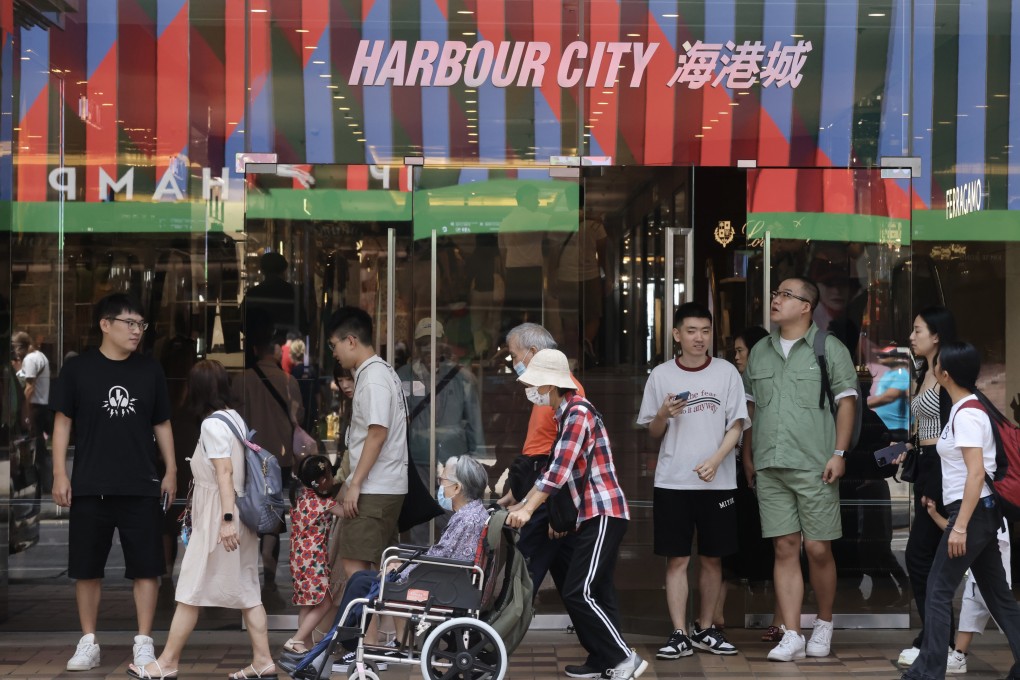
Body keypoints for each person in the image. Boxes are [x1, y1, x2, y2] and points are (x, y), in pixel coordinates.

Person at [51, 293, 176, 672]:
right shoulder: (77, 370)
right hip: (90, 484)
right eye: (130, 323)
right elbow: (62, 423)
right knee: (86, 568)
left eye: (141, 324)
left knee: (147, 568)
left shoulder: (150, 370)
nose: (137, 331)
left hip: (141, 483)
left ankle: (144, 643)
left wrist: (171, 469)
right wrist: (59, 473)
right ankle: (88, 641)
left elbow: (162, 422)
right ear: (105, 325)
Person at [127, 360, 275, 680]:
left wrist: (225, 519)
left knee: (190, 588)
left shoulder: (211, 425)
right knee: (248, 589)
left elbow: (225, 472)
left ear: (196, 389)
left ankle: (167, 662)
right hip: (237, 514)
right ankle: (263, 660)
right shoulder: (234, 418)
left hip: (218, 516)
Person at [508, 349, 647, 680]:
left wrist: (528, 509)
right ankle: (601, 659)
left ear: (550, 385)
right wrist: (520, 502)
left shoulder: (578, 413)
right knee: (596, 590)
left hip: (603, 511)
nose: (534, 391)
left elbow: (557, 472)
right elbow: (553, 474)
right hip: (593, 515)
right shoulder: (565, 415)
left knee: (578, 590)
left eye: (537, 385)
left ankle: (624, 657)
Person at [743, 278, 858, 662]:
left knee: (818, 547)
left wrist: (839, 453)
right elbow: (751, 409)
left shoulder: (829, 348)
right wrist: (748, 456)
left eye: (785, 295)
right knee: (784, 547)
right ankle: (792, 633)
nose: (775, 300)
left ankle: (823, 622)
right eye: (775, 294)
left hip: (815, 465)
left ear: (806, 306)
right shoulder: (760, 351)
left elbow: (846, 403)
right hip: (770, 464)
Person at [901, 341, 1020, 680]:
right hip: (980, 512)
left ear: (945, 374)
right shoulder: (966, 408)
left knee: (938, 590)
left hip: (973, 513)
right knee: (998, 597)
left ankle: (929, 671)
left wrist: (960, 526)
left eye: (937, 364)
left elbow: (976, 474)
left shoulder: (967, 413)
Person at [636, 302, 747, 659]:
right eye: (691, 331)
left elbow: (737, 425)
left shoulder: (726, 373)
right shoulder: (661, 375)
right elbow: (653, 432)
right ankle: (679, 633)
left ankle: (705, 628)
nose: (699, 338)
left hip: (719, 482)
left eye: (705, 331)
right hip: (673, 481)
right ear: (676, 334)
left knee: (714, 559)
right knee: (677, 560)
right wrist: (663, 414)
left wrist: (715, 461)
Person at [332, 455, 491, 670]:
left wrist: (403, 570)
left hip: (438, 587)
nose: (440, 486)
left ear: (457, 488)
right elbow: (443, 557)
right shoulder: (470, 514)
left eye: (443, 481)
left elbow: (444, 561)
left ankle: (341, 642)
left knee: (361, 582)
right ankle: (342, 640)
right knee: (361, 578)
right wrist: (404, 566)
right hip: (441, 580)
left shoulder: (467, 520)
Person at [497, 323, 579, 604]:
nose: (514, 363)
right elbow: (538, 445)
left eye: (514, 355)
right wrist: (516, 491)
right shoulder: (542, 389)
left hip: (548, 496)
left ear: (532, 352)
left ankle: (504, 626)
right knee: (570, 580)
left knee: (523, 572)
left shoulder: (564, 389)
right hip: (539, 487)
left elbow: (565, 457)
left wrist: (557, 508)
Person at [327, 306, 408, 580]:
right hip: (384, 485)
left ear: (351, 340)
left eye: (334, 345)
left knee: (356, 569)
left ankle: (369, 612)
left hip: (374, 488)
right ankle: (391, 611)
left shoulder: (373, 378)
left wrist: (355, 484)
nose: (334, 353)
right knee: (386, 568)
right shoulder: (382, 372)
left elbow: (377, 433)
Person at [899, 306, 959, 668]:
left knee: (921, 557)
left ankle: (940, 642)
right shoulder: (926, 371)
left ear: (936, 335)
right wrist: (909, 446)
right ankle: (936, 638)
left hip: (941, 468)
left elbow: (952, 430)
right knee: (928, 559)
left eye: (918, 330)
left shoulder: (947, 374)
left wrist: (934, 476)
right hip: (926, 463)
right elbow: (928, 426)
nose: (911, 336)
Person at [233, 306, 304, 604]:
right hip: (279, 460)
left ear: (253, 349)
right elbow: (299, 419)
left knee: (248, 515)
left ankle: (247, 579)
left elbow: (235, 419)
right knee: (273, 520)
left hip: (249, 460)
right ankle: (270, 582)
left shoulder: (242, 379)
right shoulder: (289, 382)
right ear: (274, 351)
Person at [397, 318, 484, 544]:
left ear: (442, 343)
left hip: (451, 457)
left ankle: (450, 558)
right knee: (419, 519)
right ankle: (419, 563)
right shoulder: (403, 375)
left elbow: (473, 417)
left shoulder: (460, 376)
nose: (428, 348)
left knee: (452, 513)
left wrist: (477, 454)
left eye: (433, 342)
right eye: (423, 343)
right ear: (415, 345)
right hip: (417, 457)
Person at [728, 325, 782, 642]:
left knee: (778, 546)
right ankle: (718, 616)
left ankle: (781, 618)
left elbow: (751, 421)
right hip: (741, 471)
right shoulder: (735, 381)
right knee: (737, 545)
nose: (736, 357)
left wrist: (748, 459)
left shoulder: (771, 379)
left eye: (740, 350)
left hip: (769, 469)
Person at [921, 495, 1011, 674]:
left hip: (992, 581)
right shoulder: (977, 514)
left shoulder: (992, 514)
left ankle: (955, 658)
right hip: (976, 580)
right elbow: (955, 532)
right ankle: (959, 657)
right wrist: (934, 514)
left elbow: (974, 539)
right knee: (967, 620)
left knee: (1009, 621)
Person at [283, 455, 345, 657]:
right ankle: (297, 640)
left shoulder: (301, 498)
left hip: (299, 560)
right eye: (331, 476)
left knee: (308, 605)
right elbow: (347, 512)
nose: (333, 479)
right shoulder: (322, 503)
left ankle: (306, 646)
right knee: (325, 603)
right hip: (313, 561)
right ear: (322, 480)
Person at [550, 185, 608, 365]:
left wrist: (551, 277)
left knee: (569, 321)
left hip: (565, 275)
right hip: (590, 275)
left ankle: (573, 359)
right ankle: (586, 342)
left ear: (566, 200)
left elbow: (553, 253)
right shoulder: (594, 223)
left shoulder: (558, 221)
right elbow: (603, 253)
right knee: (593, 316)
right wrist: (607, 276)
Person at [499, 184, 549, 333]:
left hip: (512, 270)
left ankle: (512, 342)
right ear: (525, 199)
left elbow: (503, 250)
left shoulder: (506, 220)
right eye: (535, 198)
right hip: (533, 270)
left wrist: (505, 271)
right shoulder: (539, 218)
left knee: (513, 312)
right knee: (534, 313)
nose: (538, 201)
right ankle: (531, 343)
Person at [11, 331, 52, 493]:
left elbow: (29, 389)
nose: (15, 353)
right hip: (42, 407)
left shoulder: (30, 359)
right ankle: (45, 483)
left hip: (35, 408)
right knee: (40, 449)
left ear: (20, 347)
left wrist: (25, 413)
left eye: (15, 348)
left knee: (35, 450)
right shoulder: (40, 356)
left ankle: (43, 484)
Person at [868, 346, 911, 442]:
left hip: (898, 429)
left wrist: (864, 405)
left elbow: (889, 397)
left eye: (884, 356)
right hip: (887, 427)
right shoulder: (889, 373)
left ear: (895, 358)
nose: (879, 357)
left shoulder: (901, 374)